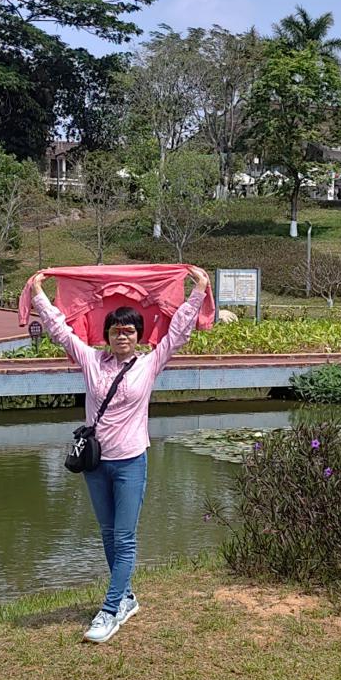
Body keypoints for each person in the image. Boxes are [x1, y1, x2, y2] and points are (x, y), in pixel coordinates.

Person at [29, 265, 209, 643]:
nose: (122, 335)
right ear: (106, 334)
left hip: (130, 462)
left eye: (128, 330)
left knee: (125, 537)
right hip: (96, 464)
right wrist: (38, 294)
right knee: (109, 535)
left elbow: (178, 331)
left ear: (138, 336)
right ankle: (126, 597)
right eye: (115, 330)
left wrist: (199, 290)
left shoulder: (149, 364)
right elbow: (60, 331)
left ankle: (110, 611)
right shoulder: (91, 361)